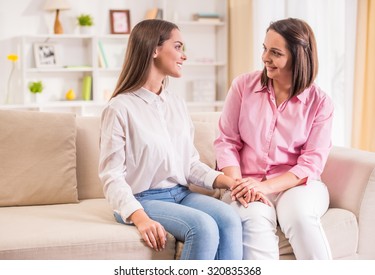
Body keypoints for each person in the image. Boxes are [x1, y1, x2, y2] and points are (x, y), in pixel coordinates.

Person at [98, 19, 243, 260]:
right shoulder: (119, 108)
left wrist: (230, 182)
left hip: (181, 193)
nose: (183, 55)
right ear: (154, 49)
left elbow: (189, 164)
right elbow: (111, 177)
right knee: (203, 227)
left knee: (229, 219)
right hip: (142, 198)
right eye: (178, 47)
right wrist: (140, 217)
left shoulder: (176, 103)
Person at [214, 18, 334, 260]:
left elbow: (311, 163)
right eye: (264, 48)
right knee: (255, 218)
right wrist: (239, 185)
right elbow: (227, 141)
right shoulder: (243, 86)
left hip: (298, 185)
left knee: (298, 216)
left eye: (275, 53)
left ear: (298, 57)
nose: (265, 57)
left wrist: (265, 187)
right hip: (245, 182)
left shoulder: (320, 102)